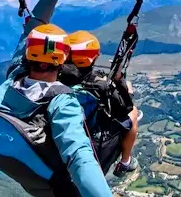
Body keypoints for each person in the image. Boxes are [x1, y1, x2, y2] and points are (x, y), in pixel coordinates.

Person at [0, 0, 136, 197]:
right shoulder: (62, 101)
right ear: (62, 62)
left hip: (32, 175)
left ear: (28, 53)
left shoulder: (13, 76)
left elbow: (34, 25)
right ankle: (126, 163)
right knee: (127, 117)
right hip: (64, 188)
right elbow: (79, 155)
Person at [60, 30, 142, 173]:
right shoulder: (99, 85)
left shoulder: (55, 76)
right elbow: (126, 107)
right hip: (91, 132)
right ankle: (125, 162)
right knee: (134, 113)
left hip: (64, 133)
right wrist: (120, 81)